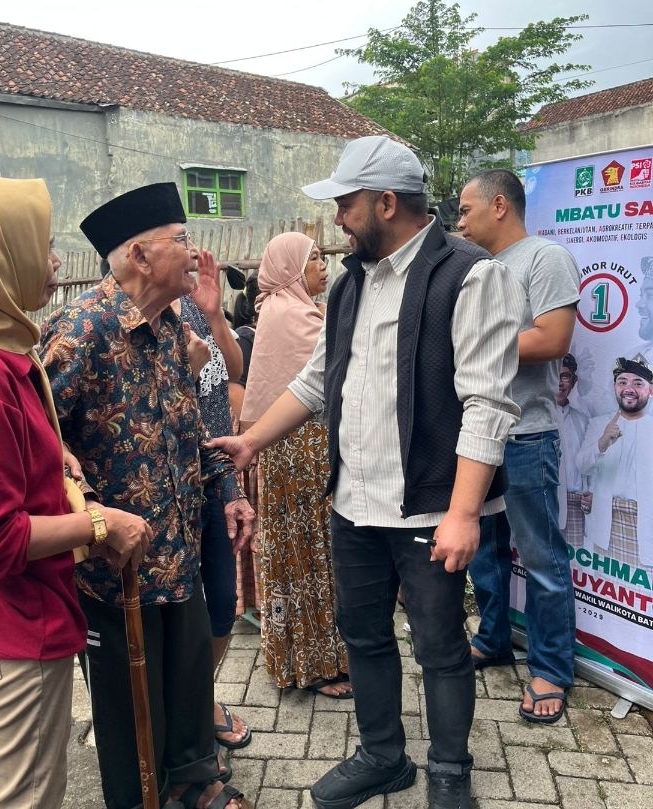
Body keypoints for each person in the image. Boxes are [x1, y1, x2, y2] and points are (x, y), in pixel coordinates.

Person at [208, 135, 524, 809]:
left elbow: (488, 404)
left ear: (385, 203)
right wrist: (252, 440)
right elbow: (318, 379)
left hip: (430, 506)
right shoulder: (354, 281)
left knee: (439, 644)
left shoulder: (469, 275)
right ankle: (384, 755)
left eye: (345, 205)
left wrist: (464, 513)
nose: (338, 220)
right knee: (363, 634)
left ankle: (449, 770)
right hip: (353, 502)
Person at [0, 176, 150, 809]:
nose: (55, 262)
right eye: (43, 245)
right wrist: (101, 524)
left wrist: (52, 455)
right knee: (21, 795)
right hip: (13, 623)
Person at [39, 182, 255, 809]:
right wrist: (90, 513)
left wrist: (228, 491)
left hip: (178, 550)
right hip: (116, 569)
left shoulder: (176, 324)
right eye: (182, 240)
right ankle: (143, 797)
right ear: (139, 255)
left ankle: (194, 781)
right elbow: (40, 444)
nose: (195, 253)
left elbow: (191, 427)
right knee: (128, 706)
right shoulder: (80, 331)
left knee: (187, 681)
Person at [458, 169, 580, 725]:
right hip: (478, 434)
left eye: (466, 209)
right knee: (485, 551)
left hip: (527, 434)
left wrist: (473, 345)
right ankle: (493, 638)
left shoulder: (544, 258)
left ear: (500, 205)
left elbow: (552, 338)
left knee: (540, 557)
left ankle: (551, 667)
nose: (460, 221)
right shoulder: (477, 267)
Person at [240, 232, 351, 699]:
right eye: (314, 259)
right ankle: (314, 664)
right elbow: (329, 377)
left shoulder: (291, 310)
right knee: (308, 557)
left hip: (296, 449)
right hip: (299, 451)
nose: (324, 266)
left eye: (324, 258)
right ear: (290, 268)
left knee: (307, 555)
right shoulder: (292, 315)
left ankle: (309, 657)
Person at [174, 258, 251, 754]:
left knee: (223, 603)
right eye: (178, 241)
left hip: (216, 478)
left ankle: (201, 699)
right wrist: (188, 366)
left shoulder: (192, 310)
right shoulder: (124, 324)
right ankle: (183, 714)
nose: (189, 255)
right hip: (166, 493)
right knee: (178, 615)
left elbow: (235, 373)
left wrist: (215, 314)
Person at [576, 355, 653, 569]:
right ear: (614, 387)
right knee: (605, 580)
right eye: (622, 382)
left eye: (638, 383)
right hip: (604, 523)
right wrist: (601, 443)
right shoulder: (598, 423)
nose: (629, 389)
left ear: (651, 390)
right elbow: (581, 466)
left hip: (644, 525)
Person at [230, 273, 262, 624]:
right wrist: (255, 437)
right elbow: (235, 388)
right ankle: (254, 603)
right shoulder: (246, 338)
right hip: (254, 442)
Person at [556, 354, 591, 547]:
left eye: (565, 376)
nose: (559, 383)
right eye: (554, 374)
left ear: (574, 380)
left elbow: (591, 466)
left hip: (575, 506)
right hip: (543, 503)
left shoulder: (583, 420)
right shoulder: (536, 418)